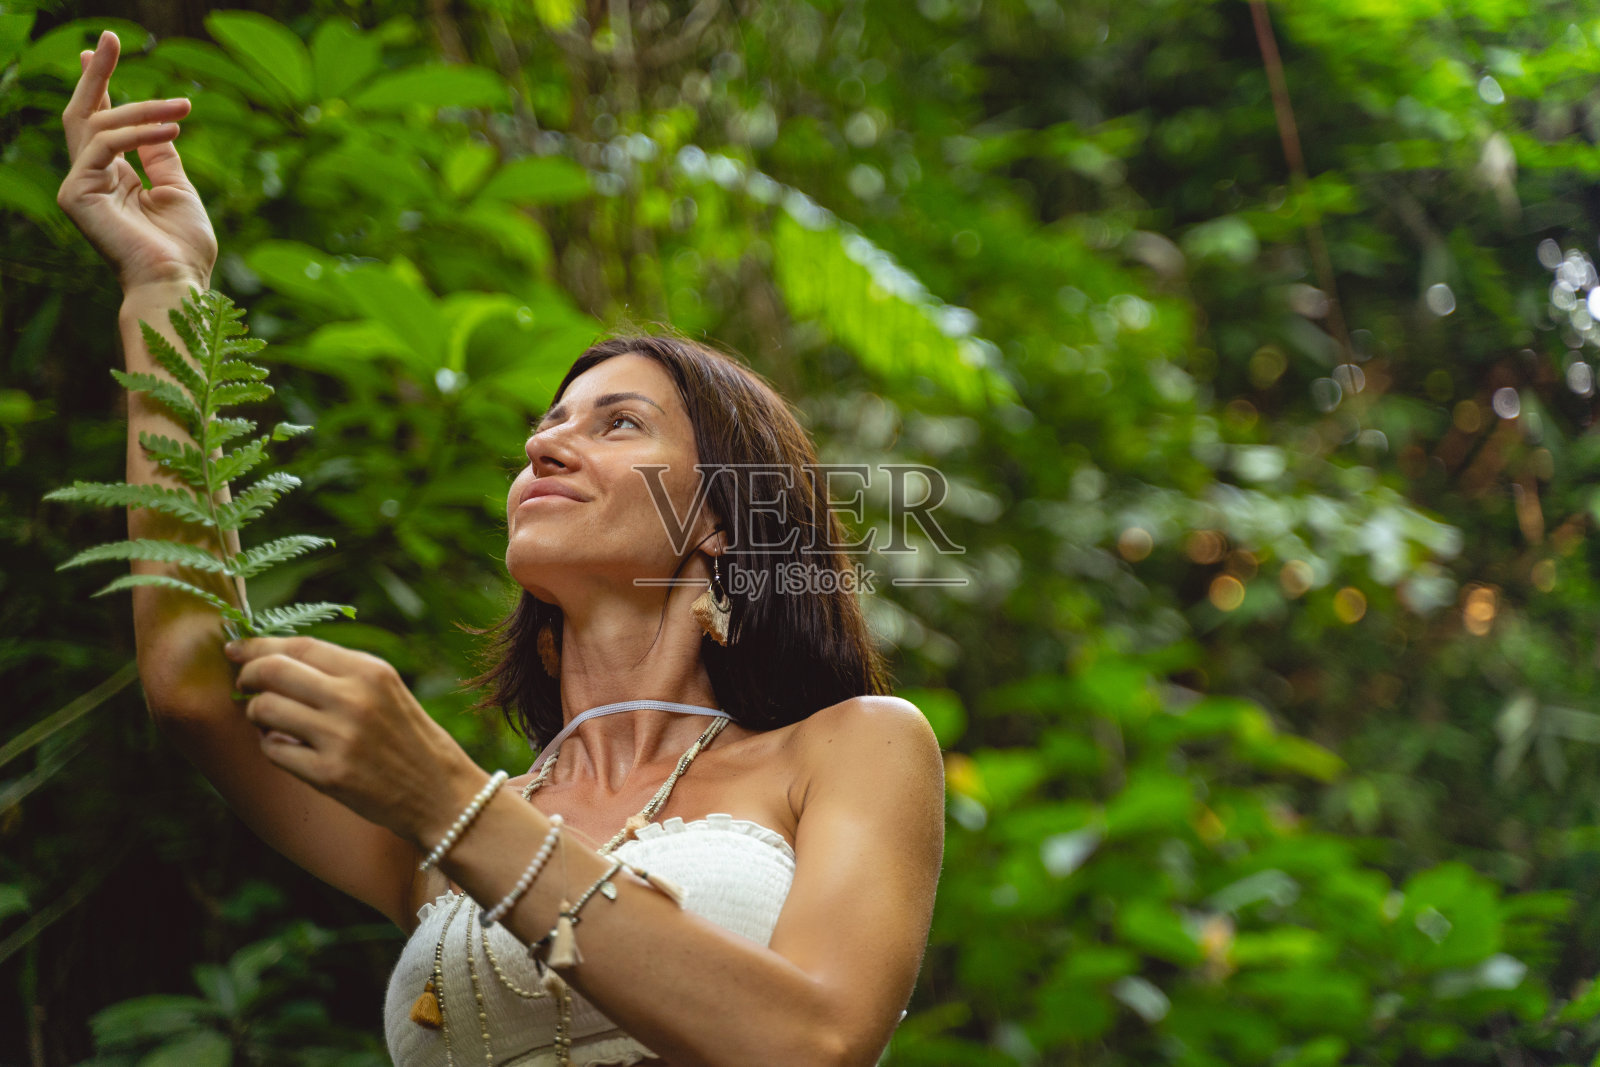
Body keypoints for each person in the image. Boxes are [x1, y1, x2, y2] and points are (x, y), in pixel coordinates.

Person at [56, 28, 945, 1067]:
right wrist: (164, 286)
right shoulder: (432, 811)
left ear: (718, 520)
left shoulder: (851, 748)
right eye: (549, 424)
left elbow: (815, 1040)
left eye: (617, 424)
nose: (545, 441)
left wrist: (443, 795)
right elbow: (196, 685)